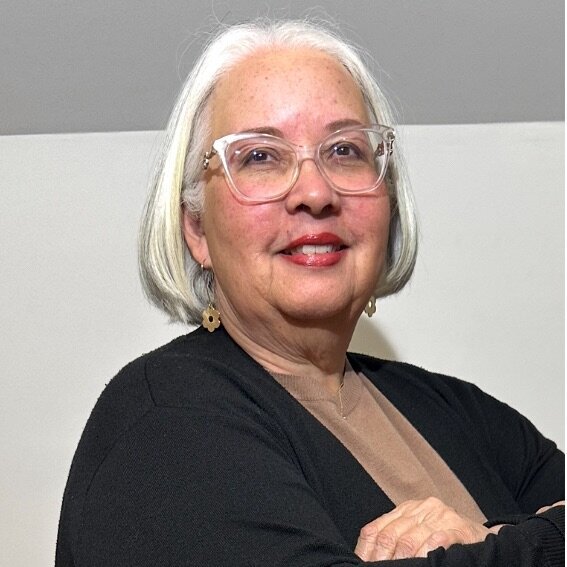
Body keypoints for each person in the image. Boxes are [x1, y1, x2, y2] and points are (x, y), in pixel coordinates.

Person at [55, 19, 564, 566]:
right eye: (259, 156)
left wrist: (483, 540)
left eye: (344, 150)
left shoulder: (455, 411)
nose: (316, 192)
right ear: (197, 229)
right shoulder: (162, 423)